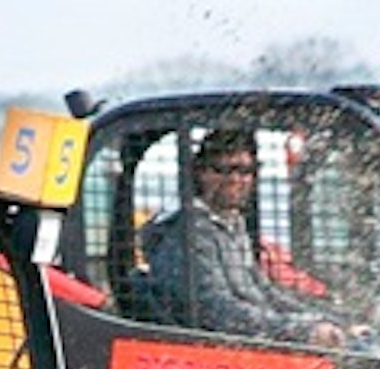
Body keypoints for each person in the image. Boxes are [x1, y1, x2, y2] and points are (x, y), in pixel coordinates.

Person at [137, 129, 350, 347]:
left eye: (244, 170)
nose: (234, 179)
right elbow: (216, 310)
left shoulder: (231, 224)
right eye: (222, 170)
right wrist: (301, 332)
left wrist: (328, 320)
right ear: (200, 173)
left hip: (247, 339)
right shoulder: (188, 233)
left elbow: (263, 291)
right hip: (211, 352)